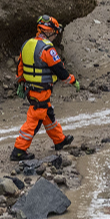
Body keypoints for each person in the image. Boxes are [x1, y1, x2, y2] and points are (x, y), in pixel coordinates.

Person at [11, 15, 80, 161]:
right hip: (41, 90)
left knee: (48, 114)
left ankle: (59, 140)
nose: (55, 36)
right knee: (34, 121)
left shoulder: (27, 45)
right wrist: (72, 80)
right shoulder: (47, 49)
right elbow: (60, 70)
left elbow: (20, 68)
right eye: (55, 33)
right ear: (49, 31)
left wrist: (21, 83)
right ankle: (19, 150)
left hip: (31, 90)